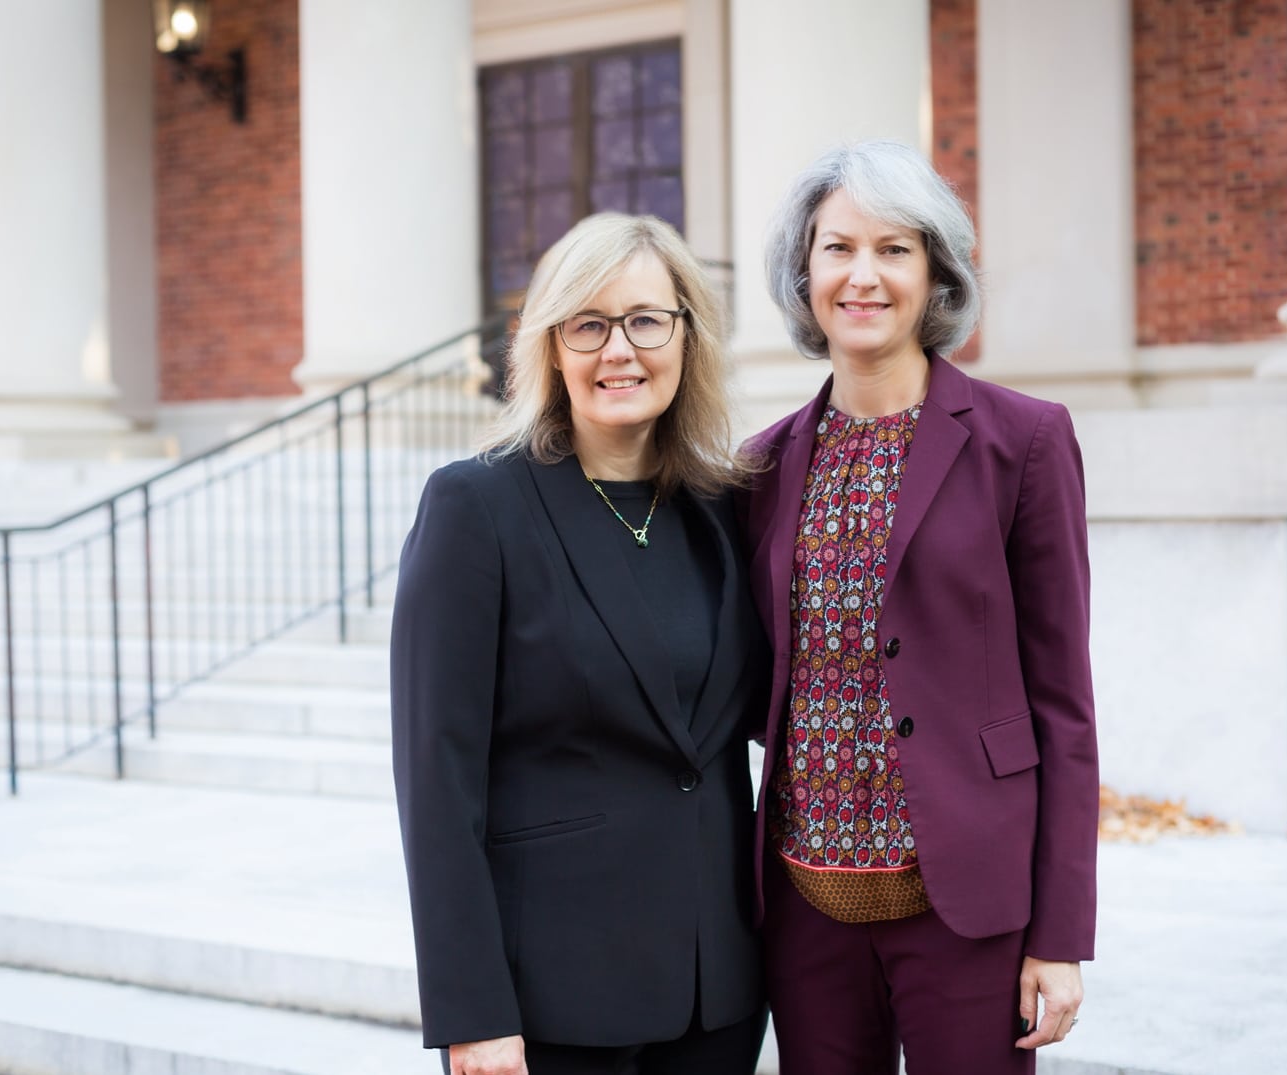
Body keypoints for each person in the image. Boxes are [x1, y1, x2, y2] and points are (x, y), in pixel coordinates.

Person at [739, 139, 1099, 1074]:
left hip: (968, 905)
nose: (864, 276)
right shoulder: (761, 466)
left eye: (895, 249)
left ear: (935, 273)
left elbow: (1062, 706)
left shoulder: (1023, 440)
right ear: (803, 273)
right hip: (804, 904)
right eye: (837, 249)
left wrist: (1058, 934)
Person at [391, 212, 770, 1075]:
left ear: (685, 335)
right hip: (551, 1002)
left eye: (645, 319)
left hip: (716, 992)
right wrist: (471, 1009)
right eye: (587, 324)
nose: (618, 350)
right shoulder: (475, 507)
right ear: (552, 348)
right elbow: (435, 779)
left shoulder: (721, 508)